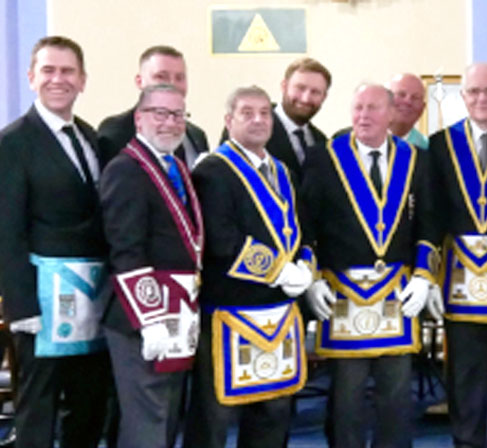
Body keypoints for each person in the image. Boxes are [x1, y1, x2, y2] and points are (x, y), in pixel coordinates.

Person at [298, 83, 438, 447]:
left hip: (397, 292)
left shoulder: (416, 160)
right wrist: (312, 279)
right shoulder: (324, 158)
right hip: (342, 293)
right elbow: (306, 225)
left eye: (373, 108)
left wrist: (425, 276)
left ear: (391, 114)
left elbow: (428, 225)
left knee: (395, 394)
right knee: (347, 394)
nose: (363, 116)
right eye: (357, 107)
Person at [184, 85, 314, 448]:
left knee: (274, 411)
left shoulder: (282, 171)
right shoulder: (213, 170)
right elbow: (222, 240)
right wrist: (280, 271)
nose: (258, 120)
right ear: (228, 120)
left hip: (279, 313)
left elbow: (301, 228)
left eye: (265, 113)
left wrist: (306, 265)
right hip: (229, 311)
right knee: (214, 417)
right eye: (247, 113)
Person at [0, 35, 113, 448]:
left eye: (68, 71)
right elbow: (6, 230)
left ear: (82, 80)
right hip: (42, 305)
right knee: (38, 409)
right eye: (48, 70)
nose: (58, 79)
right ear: (31, 78)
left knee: (89, 403)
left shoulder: (91, 137)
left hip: (93, 297)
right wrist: (21, 307)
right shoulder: (11, 143)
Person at [98, 83, 204, 448]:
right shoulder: (125, 170)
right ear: (139, 118)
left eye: (178, 115)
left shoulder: (174, 166)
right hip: (141, 319)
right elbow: (126, 250)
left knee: (168, 417)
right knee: (148, 422)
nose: (170, 123)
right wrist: (150, 318)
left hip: (178, 315)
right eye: (160, 113)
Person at [428, 62, 487, 448]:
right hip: (459, 277)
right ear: (463, 96)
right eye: (473, 91)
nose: (481, 98)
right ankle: (466, 442)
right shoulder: (441, 144)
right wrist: (427, 275)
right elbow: (432, 217)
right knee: (464, 372)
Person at [221, 58, 331, 185]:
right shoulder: (248, 127)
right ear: (284, 86)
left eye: (315, 92)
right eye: (300, 88)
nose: (306, 98)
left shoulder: (322, 142)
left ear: (324, 97)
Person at [97, 45, 209, 167]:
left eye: (179, 78)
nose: (172, 85)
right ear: (140, 82)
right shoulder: (115, 133)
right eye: (161, 76)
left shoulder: (197, 136)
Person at [388, 73, 429, 149]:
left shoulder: (432, 153)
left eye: (415, 98)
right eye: (401, 94)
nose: (408, 101)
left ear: (422, 108)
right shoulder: (362, 144)